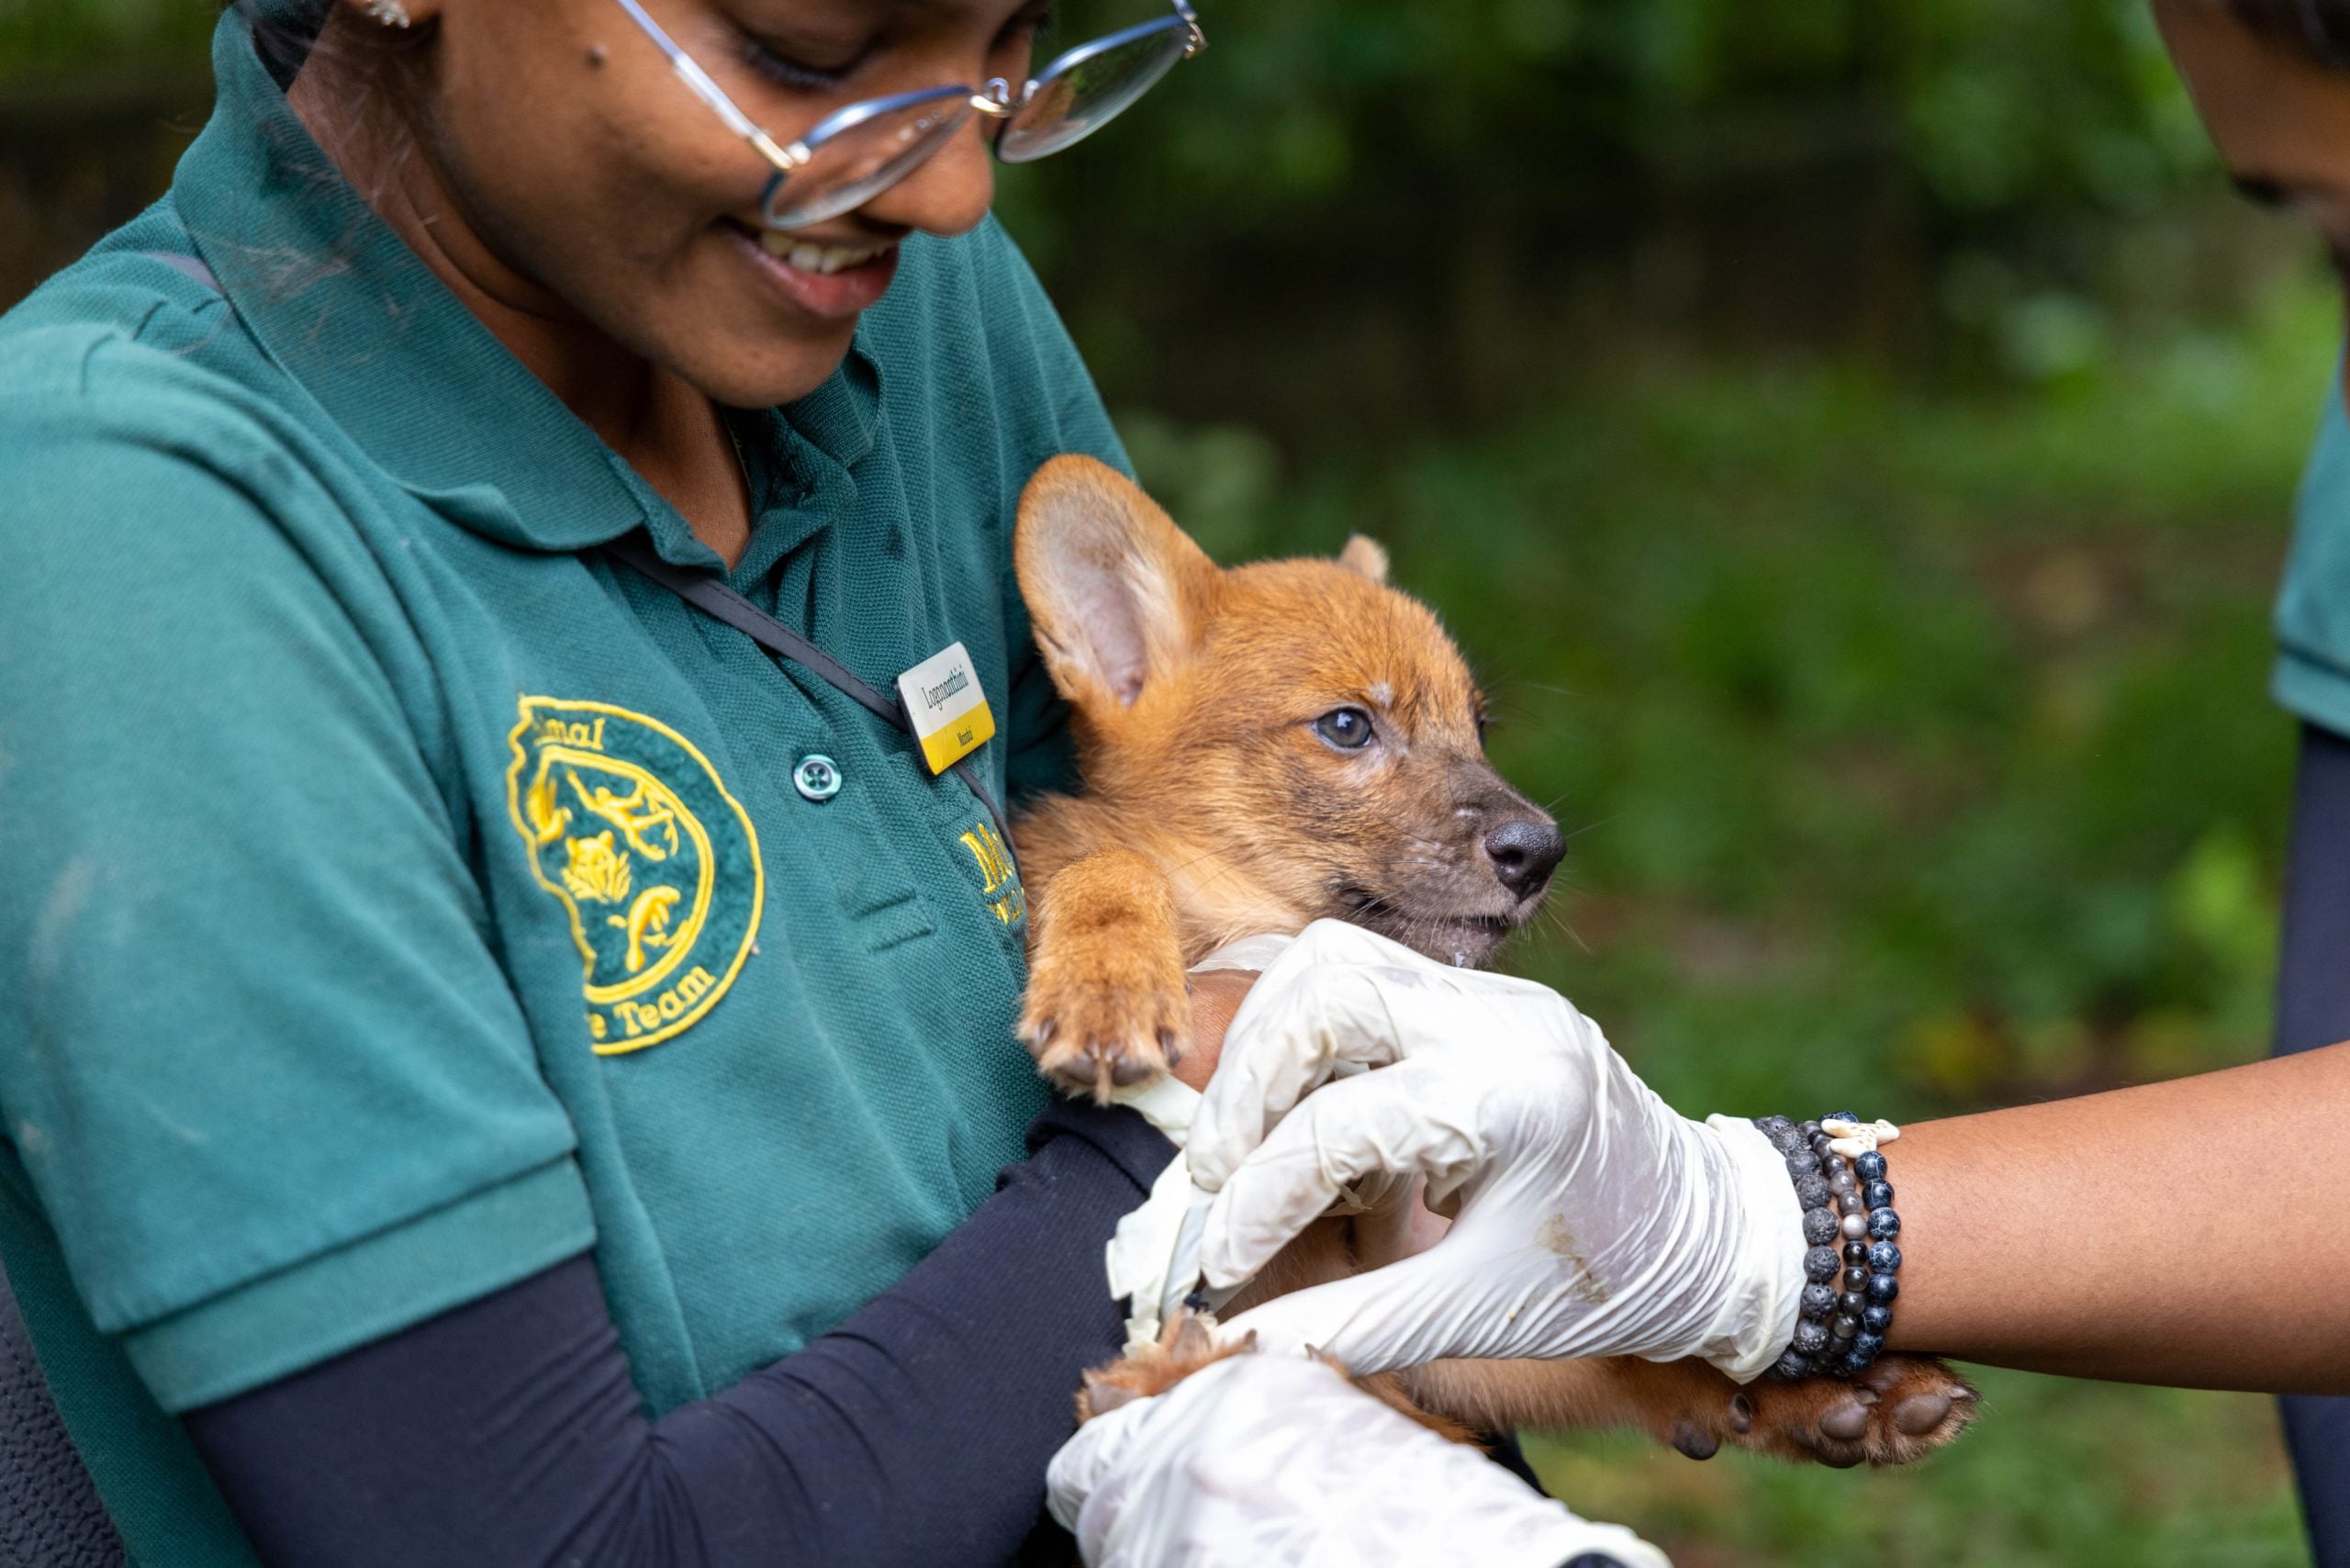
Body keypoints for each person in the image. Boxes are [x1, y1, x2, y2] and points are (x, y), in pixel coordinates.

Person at [0, 1, 1417, 1564]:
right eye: (804, 53)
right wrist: (1185, 1129)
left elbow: (1184, 879)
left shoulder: (885, 283)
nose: (954, 186)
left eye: (1005, 48)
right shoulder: (128, 523)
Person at [1046, 7, 2350, 1564]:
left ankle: (1721, 1369)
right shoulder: (1110, 878)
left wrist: (1723, 1299)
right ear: (1119, 660)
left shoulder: (1376, 1007)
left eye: (1463, 731)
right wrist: (1111, 909)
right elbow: (1090, 869)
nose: (1513, 821)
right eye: (1351, 731)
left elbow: (1441, 1312)